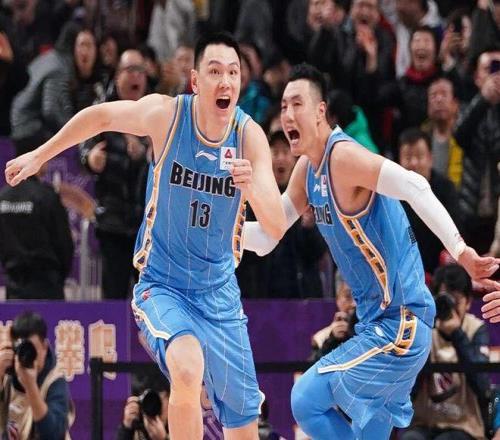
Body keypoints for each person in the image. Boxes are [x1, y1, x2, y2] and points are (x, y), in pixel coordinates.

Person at [5, 32, 286, 440]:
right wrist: (39, 155)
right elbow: (100, 117)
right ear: (195, 81)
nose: (225, 81)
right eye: (214, 72)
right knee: (187, 368)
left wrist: (253, 186)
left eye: (233, 72)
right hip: (164, 285)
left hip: (220, 293)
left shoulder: (249, 136)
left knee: (243, 426)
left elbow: (275, 225)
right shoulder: (167, 116)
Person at [244, 63, 500, 439]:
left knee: (304, 399)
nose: (287, 114)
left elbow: (414, 185)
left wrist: (461, 251)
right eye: (283, 106)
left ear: (320, 111)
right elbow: (269, 235)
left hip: (400, 325)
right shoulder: (306, 171)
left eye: (297, 104)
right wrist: (221, 235)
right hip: (375, 324)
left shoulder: (343, 158)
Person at [79, 49, 150, 299]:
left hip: (148, 226)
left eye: (140, 71)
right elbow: (83, 146)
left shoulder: (154, 112)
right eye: (130, 70)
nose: (136, 76)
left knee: (150, 298)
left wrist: (145, 155)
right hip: (113, 223)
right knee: (114, 296)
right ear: (118, 76)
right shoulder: (103, 110)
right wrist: (90, 158)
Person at [402, 264, 491, 440]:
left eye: (455, 301)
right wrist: (426, 333)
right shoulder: (423, 329)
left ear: (468, 302)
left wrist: (457, 334)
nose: (448, 307)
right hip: (424, 423)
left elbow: (483, 386)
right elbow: (409, 390)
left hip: (464, 425)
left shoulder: (476, 329)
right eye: (443, 300)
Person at [0, 158, 74, 300]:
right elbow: (63, 241)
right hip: (47, 283)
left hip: (14, 283)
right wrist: (60, 276)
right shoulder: (46, 196)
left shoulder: (3, 196)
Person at [0, 311, 72, 439]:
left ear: (45, 347)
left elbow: (53, 434)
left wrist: (30, 386)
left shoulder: (55, 380)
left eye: (32, 349)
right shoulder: (6, 372)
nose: (27, 356)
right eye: (23, 349)